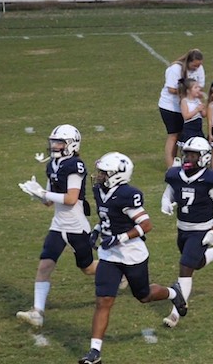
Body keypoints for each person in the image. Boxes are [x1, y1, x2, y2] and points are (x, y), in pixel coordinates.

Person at [78, 152, 187, 364]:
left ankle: (174, 292)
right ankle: (94, 351)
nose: (99, 176)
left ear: (117, 175)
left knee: (143, 295)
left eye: (103, 173)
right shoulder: (100, 190)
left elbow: (146, 225)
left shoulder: (128, 194)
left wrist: (119, 238)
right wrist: (96, 230)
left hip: (132, 254)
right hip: (109, 255)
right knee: (103, 301)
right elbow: (107, 217)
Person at [16, 125, 96, 328]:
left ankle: (120, 271)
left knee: (87, 268)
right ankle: (37, 312)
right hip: (58, 225)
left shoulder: (75, 165)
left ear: (72, 144)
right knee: (44, 265)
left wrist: (43, 193)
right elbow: (49, 201)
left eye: (60, 142)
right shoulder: (52, 164)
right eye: (54, 141)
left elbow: (70, 198)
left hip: (76, 226)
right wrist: (37, 195)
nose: (55, 146)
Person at [160, 137, 213, 328]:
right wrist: (165, 201)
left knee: (185, 268)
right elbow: (170, 190)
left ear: (204, 157)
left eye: (193, 155)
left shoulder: (211, 179)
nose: (188, 158)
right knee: (196, 263)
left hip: (200, 230)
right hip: (182, 228)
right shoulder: (176, 174)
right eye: (186, 154)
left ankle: (177, 311)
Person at [158, 49, 205, 168]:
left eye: (199, 65)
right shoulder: (175, 69)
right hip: (170, 107)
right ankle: (170, 166)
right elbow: (171, 89)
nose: (197, 68)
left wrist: (196, 94)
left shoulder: (199, 68)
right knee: (174, 135)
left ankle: (187, 163)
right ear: (188, 62)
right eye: (194, 65)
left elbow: (200, 86)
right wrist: (188, 93)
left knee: (183, 136)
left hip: (188, 105)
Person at [179, 78, 206, 145]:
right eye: (195, 87)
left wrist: (204, 107)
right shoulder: (184, 101)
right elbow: (186, 116)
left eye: (198, 87)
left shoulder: (198, 100)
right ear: (188, 91)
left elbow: (204, 115)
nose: (198, 89)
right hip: (189, 129)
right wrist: (197, 110)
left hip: (198, 128)